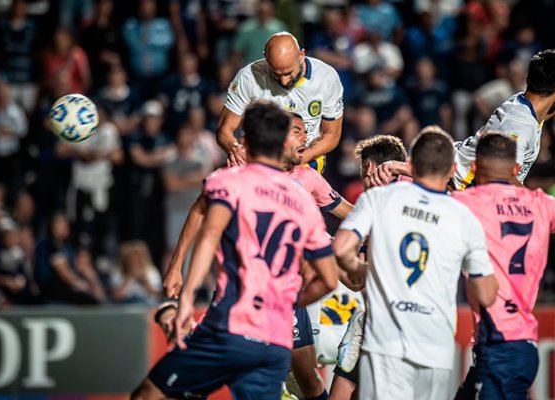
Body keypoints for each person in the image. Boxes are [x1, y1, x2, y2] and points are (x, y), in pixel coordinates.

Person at [130, 102, 338, 400]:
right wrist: (284, 302)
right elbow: (328, 279)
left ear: (246, 141)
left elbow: (209, 234)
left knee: (148, 395)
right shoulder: (301, 198)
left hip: (232, 325)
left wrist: (187, 299)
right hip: (276, 338)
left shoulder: (228, 180)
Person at [333, 128, 499, 399]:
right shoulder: (463, 216)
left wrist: (367, 272)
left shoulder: (378, 199)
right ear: (453, 169)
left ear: (412, 165)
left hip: (385, 338)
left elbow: (341, 248)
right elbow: (487, 292)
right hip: (436, 344)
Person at [452, 134, 555, 399]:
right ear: (516, 169)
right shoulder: (542, 205)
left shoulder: (464, 204)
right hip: (519, 342)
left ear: (474, 167)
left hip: (499, 342)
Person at [369, 49, 555, 190]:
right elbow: (502, 175)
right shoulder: (520, 125)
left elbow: (543, 113)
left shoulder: (525, 104)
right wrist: (533, 204)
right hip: (453, 185)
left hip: (451, 173)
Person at [328, 134, 408, 400]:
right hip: (404, 322)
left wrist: (325, 250)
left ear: (370, 168)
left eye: (363, 169)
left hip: (386, 323)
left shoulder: (376, 204)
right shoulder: (423, 196)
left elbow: (358, 279)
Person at [217, 32, 344, 172]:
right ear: (266, 58)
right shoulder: (248, 77)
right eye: (276, 74)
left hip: (305, 161)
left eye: (289, 73)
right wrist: (234, 149)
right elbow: (224, 130)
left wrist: (298, 159)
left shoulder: (326, 78)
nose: (284, 80)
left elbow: (332, 135)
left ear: (301, 56)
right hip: (260, 161)